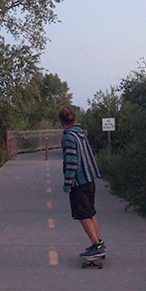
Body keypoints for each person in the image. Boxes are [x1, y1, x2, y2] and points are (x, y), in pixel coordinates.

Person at [59, 106, 106, 258]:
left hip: (79, 181)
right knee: (90, 212)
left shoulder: (68, 137)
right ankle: (98, 242)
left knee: (82, 214)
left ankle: (96, 245)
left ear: (61, 121)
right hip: (90, 178)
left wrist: (67, 183)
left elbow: (72, 162)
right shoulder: (81, 134)